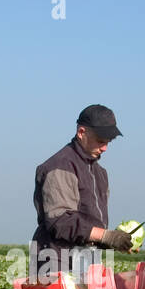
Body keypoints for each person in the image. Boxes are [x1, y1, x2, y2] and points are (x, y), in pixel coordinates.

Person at [32, 105, 132, 278]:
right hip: (57, 259)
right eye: (101, 141)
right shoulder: (60, 167)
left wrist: (113, 241)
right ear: (81, 132)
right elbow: (61, 221)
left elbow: (91, 223)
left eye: (109, 142)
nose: (105, 148)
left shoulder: (100, 173)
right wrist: (106, 236)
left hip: (87, 260)